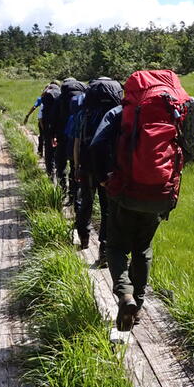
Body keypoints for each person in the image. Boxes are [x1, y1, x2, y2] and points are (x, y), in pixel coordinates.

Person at [89, 70, 194, 332]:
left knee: (115, 247)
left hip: (125, 191)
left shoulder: (119, 113)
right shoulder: (176, 110)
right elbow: (189, 152)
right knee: (142, 248)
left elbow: (96, 147)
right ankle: (138, 303)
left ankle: (124, 295)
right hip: (160, 192)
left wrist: (103, 178)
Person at [73, 77, 122, 265]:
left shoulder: (83, 114)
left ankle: (84, 239)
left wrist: (77, 166)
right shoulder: (116, 114)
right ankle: (104, 251)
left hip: (86, 165)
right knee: (107, 208)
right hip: (107, 168)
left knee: (86, 201)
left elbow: (77, 143)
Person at [53, 78, 86, 199]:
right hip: (76, 136)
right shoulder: (82, 99)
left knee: (61, 164)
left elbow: (53, 118)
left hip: (62, 136)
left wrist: (53, 135)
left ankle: (62, 192)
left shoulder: (59, 99)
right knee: (74, 165)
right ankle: (74, 195)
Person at [23, 88, 46, 157]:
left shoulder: (41, 99)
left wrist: (27, 116)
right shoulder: (57, 97)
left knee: (42, 136)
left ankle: (40, 153)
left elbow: (34, 107)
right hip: (51, 121)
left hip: (42, 120)